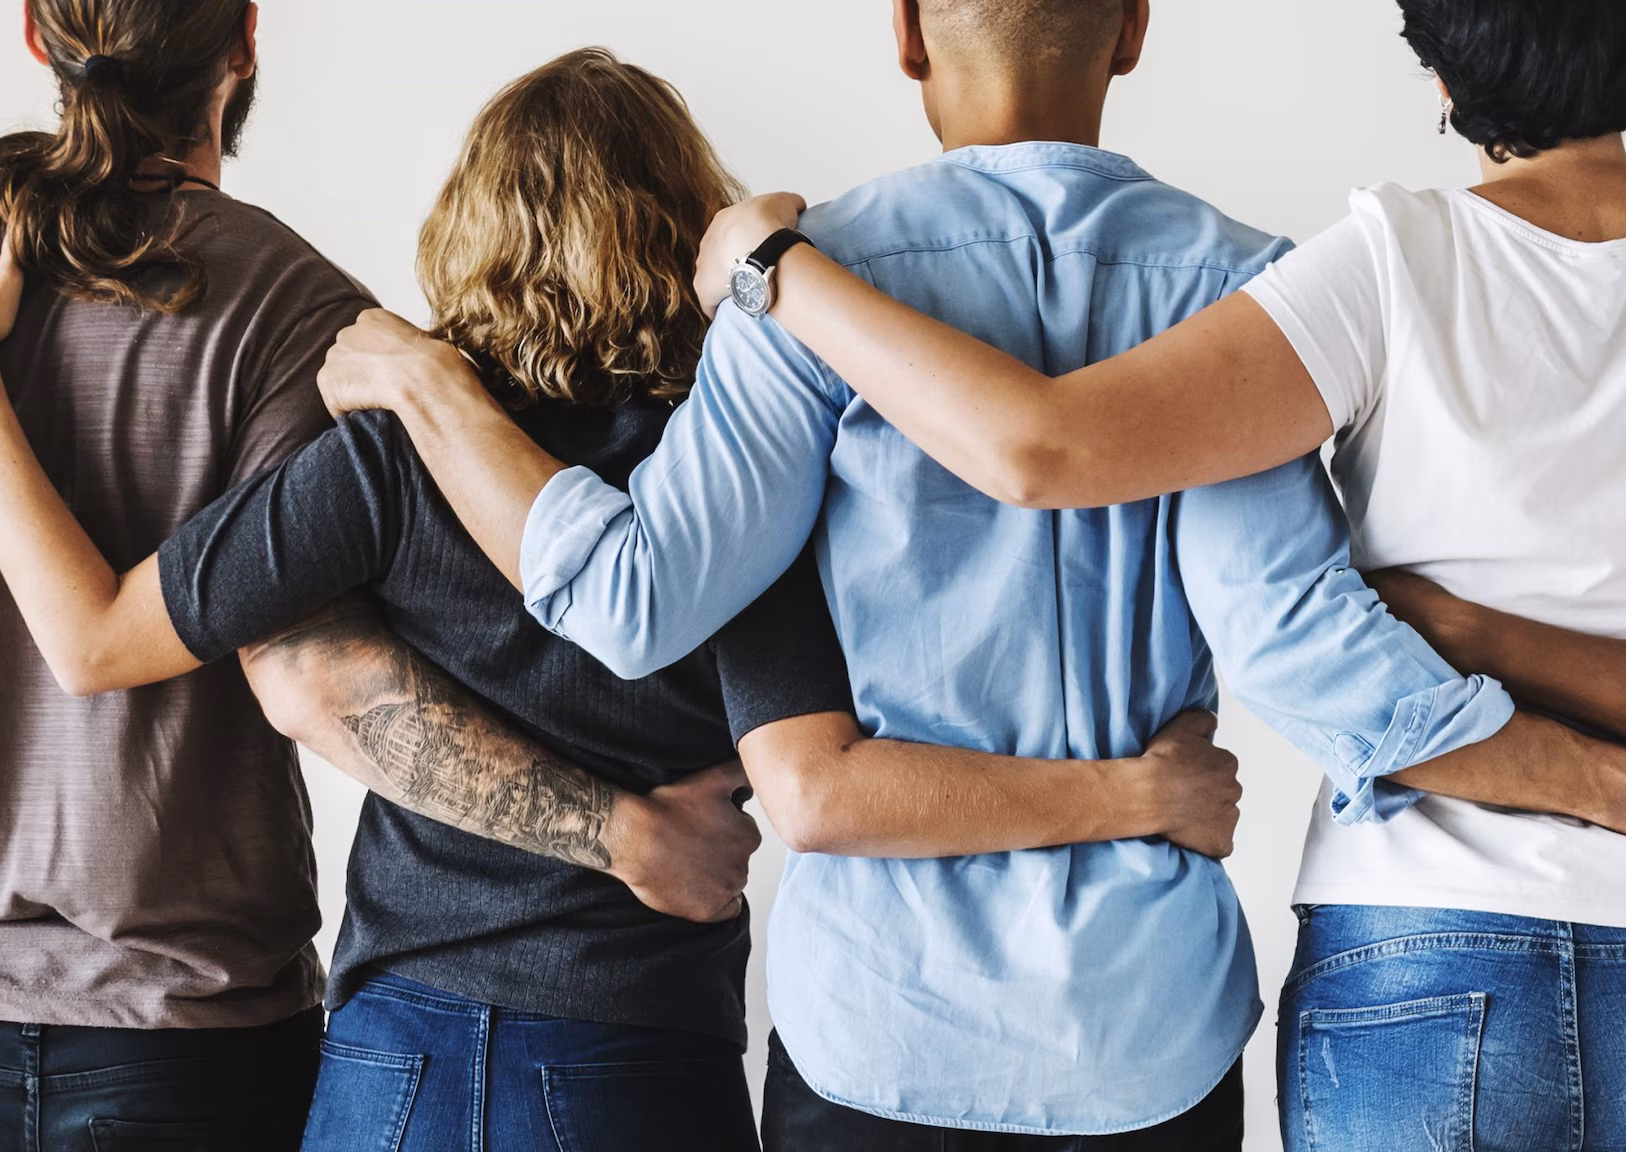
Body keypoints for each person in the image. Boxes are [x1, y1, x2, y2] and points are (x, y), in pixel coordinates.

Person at [311, 2, 1626, 1148]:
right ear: (1133, 32)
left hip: (882, 1036)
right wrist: (1616, 783)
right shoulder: (1245, 290)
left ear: (903, 36)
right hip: (1147, 1037)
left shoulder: (803, 291)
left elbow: (632, 604)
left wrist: (434, 392)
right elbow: (1295, 651)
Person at [653, 0, 1626, 1145]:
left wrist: (782, 268)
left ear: (1438, 75)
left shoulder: (1381, 266)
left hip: (1420, 953)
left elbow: (1047, 448)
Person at [0, 45, 1251, 1152]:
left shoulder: (387, 458)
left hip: (394, 1050)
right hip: (633, 1045)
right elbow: (821, 776)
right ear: (684, 221)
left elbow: (132, 635)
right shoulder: (736, 481)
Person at [0, 2, 342, 1145]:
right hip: (185, 1025)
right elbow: (316, 681)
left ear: (37, 40)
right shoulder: (299, 310)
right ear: (244, 41)